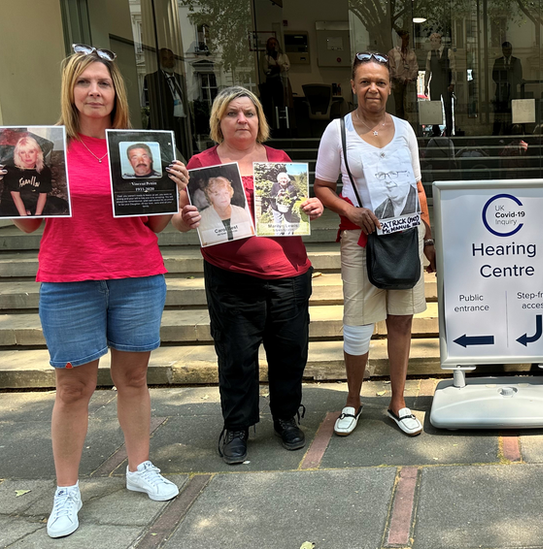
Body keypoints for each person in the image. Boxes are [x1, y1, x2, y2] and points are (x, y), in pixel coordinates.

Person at [4, 44, 186, 539]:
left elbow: (155, 223)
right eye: (85, 82)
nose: (94, 91)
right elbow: (25, 224)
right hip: (68, 279)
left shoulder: (136, 148)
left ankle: (138, 467)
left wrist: (175, 192)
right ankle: (67, 489)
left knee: (133, 379)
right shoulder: (48, 148)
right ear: (71, 91)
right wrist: (15, 181)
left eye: (103, 82)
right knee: (72, 388)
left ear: (115, 91)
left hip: (136, 275)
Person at [172, 86, 324, 464]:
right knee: (236, 356)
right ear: (218, 121)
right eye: (232, 113)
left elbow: (298, 207)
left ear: (260, 121)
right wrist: (184, 220)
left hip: (287, 273)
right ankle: (238, 426)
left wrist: (313, 204)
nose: (242, 120)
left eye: (250, 113)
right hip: (231, 277)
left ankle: (286, 418)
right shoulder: (201, 165)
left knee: (289, 353)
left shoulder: (279, 159)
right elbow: (179, 220)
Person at [314, 51, 436, 437]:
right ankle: (353, 400)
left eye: (380, 82)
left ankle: (398, 402)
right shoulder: (338, 131)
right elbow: (321, 187)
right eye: (365, 81)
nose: (373, 88)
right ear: (353, 85)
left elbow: (417, 187)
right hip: (360, 239)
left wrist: (428, 235)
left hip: (404, 237)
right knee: (358, 324)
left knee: (401, 321)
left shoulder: (404, 130)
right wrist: (349, 211)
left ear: (390, 88)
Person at [1, 134, 68, 216]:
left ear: (37, 153)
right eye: (22, 152)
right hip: (13, 203)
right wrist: (24, 216)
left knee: (58, 204)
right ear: (18, 154)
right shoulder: (11, 169)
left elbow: (42, 195)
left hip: (34, 202)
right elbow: (15, 196)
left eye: (31, 152)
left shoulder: (44, 170)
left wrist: (37, 215)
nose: (27, 156)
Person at [142, 48, 190, 157]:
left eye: (171, 58)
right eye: (165, 59)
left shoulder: (180, 78)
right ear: (159, 61)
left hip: (182, 126)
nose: (169, 62)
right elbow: (148, 104)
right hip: (165, 125)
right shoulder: (152, 79)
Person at [196, 175, 254, 246]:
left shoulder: (241, 212)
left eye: (226, 193)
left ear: (230, 193)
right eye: (217, 194)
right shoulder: (203, 217)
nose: (223, 197)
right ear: (210, 197)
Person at [425, 33, 454, 137]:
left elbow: (452, 68)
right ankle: (435, 129)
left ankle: (449, 129)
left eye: (434, 41)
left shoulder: (448, 52)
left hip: (445, 81)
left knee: (447, 106)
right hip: (435, 82)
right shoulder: (430, 54)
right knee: (434, 107)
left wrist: (452, 83)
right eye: (431, 41)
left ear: (439, 41)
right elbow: (427, 70)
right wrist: (425, 85)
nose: (432, 43)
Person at [491, 41, 523, 135]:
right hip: (501, 91)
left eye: (509, 50)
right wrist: (502, 82)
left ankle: (511, 132)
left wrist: (511, 80)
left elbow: (519, 76)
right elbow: (494, 76)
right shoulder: (498, 61)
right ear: (502, 50)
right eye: (505, 50)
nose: (507, 52)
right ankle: (496, 133)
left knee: (512, 113)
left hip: (512, 91)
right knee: (499, 114)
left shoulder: (516, 61)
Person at [388, 30, 419, 122]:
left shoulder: (411, 53)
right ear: (399, 40)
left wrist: (410, 78)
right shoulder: (392, 53)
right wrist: (402, 78)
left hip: (410, 83)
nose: (407, 42)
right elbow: (392, 69)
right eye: (405, 39)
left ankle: (410, 125)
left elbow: (415, 67)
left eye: (408, 39)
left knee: (410, 106)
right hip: (397, 83)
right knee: (399, 107)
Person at [262, 36, 291, 129]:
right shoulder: (266, 57)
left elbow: (287, 66)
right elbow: (266, 70)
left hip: (281, 81)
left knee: (281, 103)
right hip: (270, 82)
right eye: (271, 44)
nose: (273, 46)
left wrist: (280, 67)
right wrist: (273, 69)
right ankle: (271, 126)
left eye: (275, 44)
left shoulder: (283, 56)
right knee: (269, 105)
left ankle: (282, 125)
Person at [270, 171, 301, 235]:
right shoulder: (275, 186)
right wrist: (278, 195)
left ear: (288, 180)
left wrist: (289, 197)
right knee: (277, 223)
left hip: (287, 207)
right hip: (276, 207)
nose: (283, 180)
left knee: (288, 222)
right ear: (278, 181)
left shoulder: (291, 187)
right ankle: (278, 236)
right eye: (281, 179)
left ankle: (288, 236)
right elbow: (271, 196)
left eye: (285, 178)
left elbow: (294, 197)